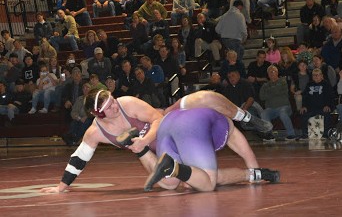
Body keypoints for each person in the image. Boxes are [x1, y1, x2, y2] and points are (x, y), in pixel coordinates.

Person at [40, 89, 275, 193]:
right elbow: (79, 158)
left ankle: (247, 117)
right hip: (164, 149)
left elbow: (157, 119)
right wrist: (62, 187)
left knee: (205, 97)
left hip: (167, 122)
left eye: (112, 100)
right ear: (98, 115)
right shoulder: (95, 133)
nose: (114, 106)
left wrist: (143, 142)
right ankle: (251, 174)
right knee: (172, 184)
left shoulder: (128, 103)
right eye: (108, 107)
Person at [144, 107, 279, 192]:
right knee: (207, 184)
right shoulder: (229, 127)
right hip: (190, 125)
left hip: (166, 122)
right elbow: (248, 155)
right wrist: (256, 174)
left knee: (170, 184)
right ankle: (173, 167)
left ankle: (140, 151)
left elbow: (190, 182)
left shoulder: (207, 113)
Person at [259, 65, 297, 141]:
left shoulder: (283, 81)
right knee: (264, 113)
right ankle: (269, 134)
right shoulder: (265, 85)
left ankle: (291, 134)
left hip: (284, 107)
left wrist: (270, 92)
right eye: (270, 72)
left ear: (277, 73)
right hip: (271, 109)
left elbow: (283, 92)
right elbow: (261, 97)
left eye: (273, 71)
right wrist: (275, 90)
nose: (271, 73)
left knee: (283, 113)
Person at [299, 68, 335, 139]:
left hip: (323, 107)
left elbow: (330, 97)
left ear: (321, 76)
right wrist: (304, 106)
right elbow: (305, 97)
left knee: (327, 115)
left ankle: (326, 134)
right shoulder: (309, 84)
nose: (316, 76)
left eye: (318, 75)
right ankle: (305, 134)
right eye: (314, 75)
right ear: (312, 76)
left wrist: (328, 105)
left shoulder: (326, 84)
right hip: (311, 108)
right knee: (303, 114)